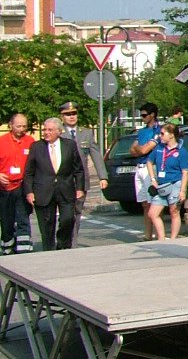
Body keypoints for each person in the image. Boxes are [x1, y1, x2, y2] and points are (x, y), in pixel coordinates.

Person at [23, 117, 85, 251]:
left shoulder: (69, 145)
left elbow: (78, 169)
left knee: (67, 220)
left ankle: (62, 244)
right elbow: (29, 172)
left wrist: (80, 188)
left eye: (50, 130)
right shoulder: (36, 147)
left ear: (59, 131)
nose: (46, 132)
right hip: (43, 191)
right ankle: (48, 251)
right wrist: (29, 192)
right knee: (47, 226)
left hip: (65, 190)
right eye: (44, 129)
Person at [56, 101, 108, 244]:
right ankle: (63, 239)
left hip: (81, 181)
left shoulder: (86, 133)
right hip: (64, 180)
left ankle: (72, 242)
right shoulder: (58, 133)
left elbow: (96, 154)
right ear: (62, 117)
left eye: (74, 114)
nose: (71, 117)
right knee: (66, 213)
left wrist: (102, 176)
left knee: (77, 212)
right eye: (67, 114)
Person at [145, 123, 188, 242]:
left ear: (171, 135)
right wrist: (153, 179)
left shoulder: (181, 151)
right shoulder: (159, 148)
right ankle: (161, 239)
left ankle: (173, 239)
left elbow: (185, 172)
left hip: (175, 183)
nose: (160, 136)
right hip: (161, 184)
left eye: (162, 133)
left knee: (174, 211)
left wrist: (182, 191)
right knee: (152, 213)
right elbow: (149, 162)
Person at [0, 113, 35, 254]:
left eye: (24, 126)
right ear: (10, 125)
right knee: (6, 222)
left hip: (22, 186)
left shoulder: (31, 142)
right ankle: (8, 248)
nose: (22, 129)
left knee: (23, 219)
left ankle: (24, 250)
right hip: (4, 188)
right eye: (18, 126)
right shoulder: (1, 142)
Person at [129, 103, 162, 241]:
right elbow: (132, 150)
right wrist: (139, 148)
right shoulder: (142, 131)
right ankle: (147, 234)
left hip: (151, 167)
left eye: (144, 115)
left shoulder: (158, 130)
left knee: (152, 201)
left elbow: (144, 150)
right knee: (144, 203)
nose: (142, 118)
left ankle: (158, 233)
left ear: (152, 115)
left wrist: (140, 148)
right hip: (140, 167)